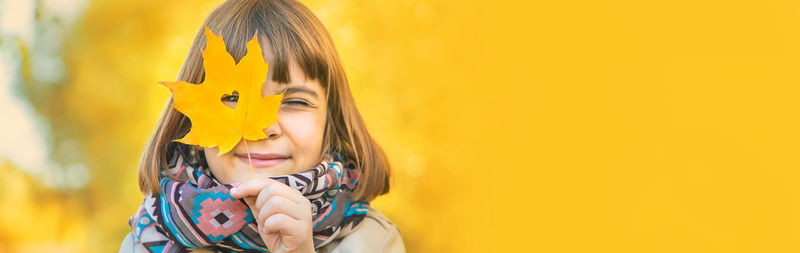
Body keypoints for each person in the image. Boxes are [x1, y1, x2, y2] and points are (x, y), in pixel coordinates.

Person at [119, 0, 404, 252]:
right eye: (232, 98)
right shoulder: (146, 242)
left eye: (296, 102)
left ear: (332, 122)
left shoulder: (372, 242)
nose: (267, 127)